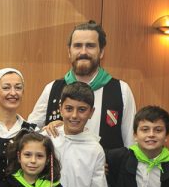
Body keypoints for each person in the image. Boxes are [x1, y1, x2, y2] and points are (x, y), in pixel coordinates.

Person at [30, 20, 137, 152]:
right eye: (78, 46)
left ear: (101, 52)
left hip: (106, 165)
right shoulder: (52, 89)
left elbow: (131, 145)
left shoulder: (121, 91)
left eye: (90, 46)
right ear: (69, 52)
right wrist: (47, 130)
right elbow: (30, 133)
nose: (83, 51)